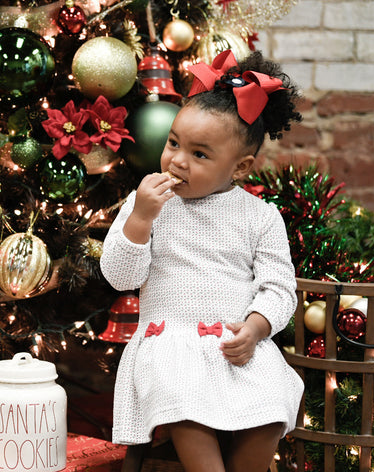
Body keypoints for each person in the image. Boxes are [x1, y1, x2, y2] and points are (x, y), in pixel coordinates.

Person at [100, 49, 304, 472]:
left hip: (237, 346)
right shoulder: (148, 202)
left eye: (200, 154)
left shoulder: (259, 216)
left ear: (241, 166)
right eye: (174, 143)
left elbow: (279, 287)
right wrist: (140, 219)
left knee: (271, 408)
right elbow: (119, 277)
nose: (177, 159)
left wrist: (255, 327)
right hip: (169, 344)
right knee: (186, 406)